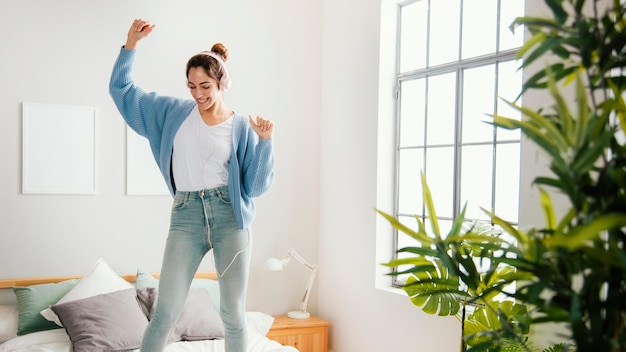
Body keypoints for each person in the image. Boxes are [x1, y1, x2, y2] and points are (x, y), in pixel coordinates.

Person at [109, 19, 275, 352]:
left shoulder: (241, 127)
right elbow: (122, 92)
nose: (198, 94)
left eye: (205, 87)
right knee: (164, 313)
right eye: (191, 86)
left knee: (232, 315)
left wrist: (266, 142)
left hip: (231, 219)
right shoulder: (172, 113)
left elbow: (254, 188)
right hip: (186, 217)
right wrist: (131, 45)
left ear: (222, 83)